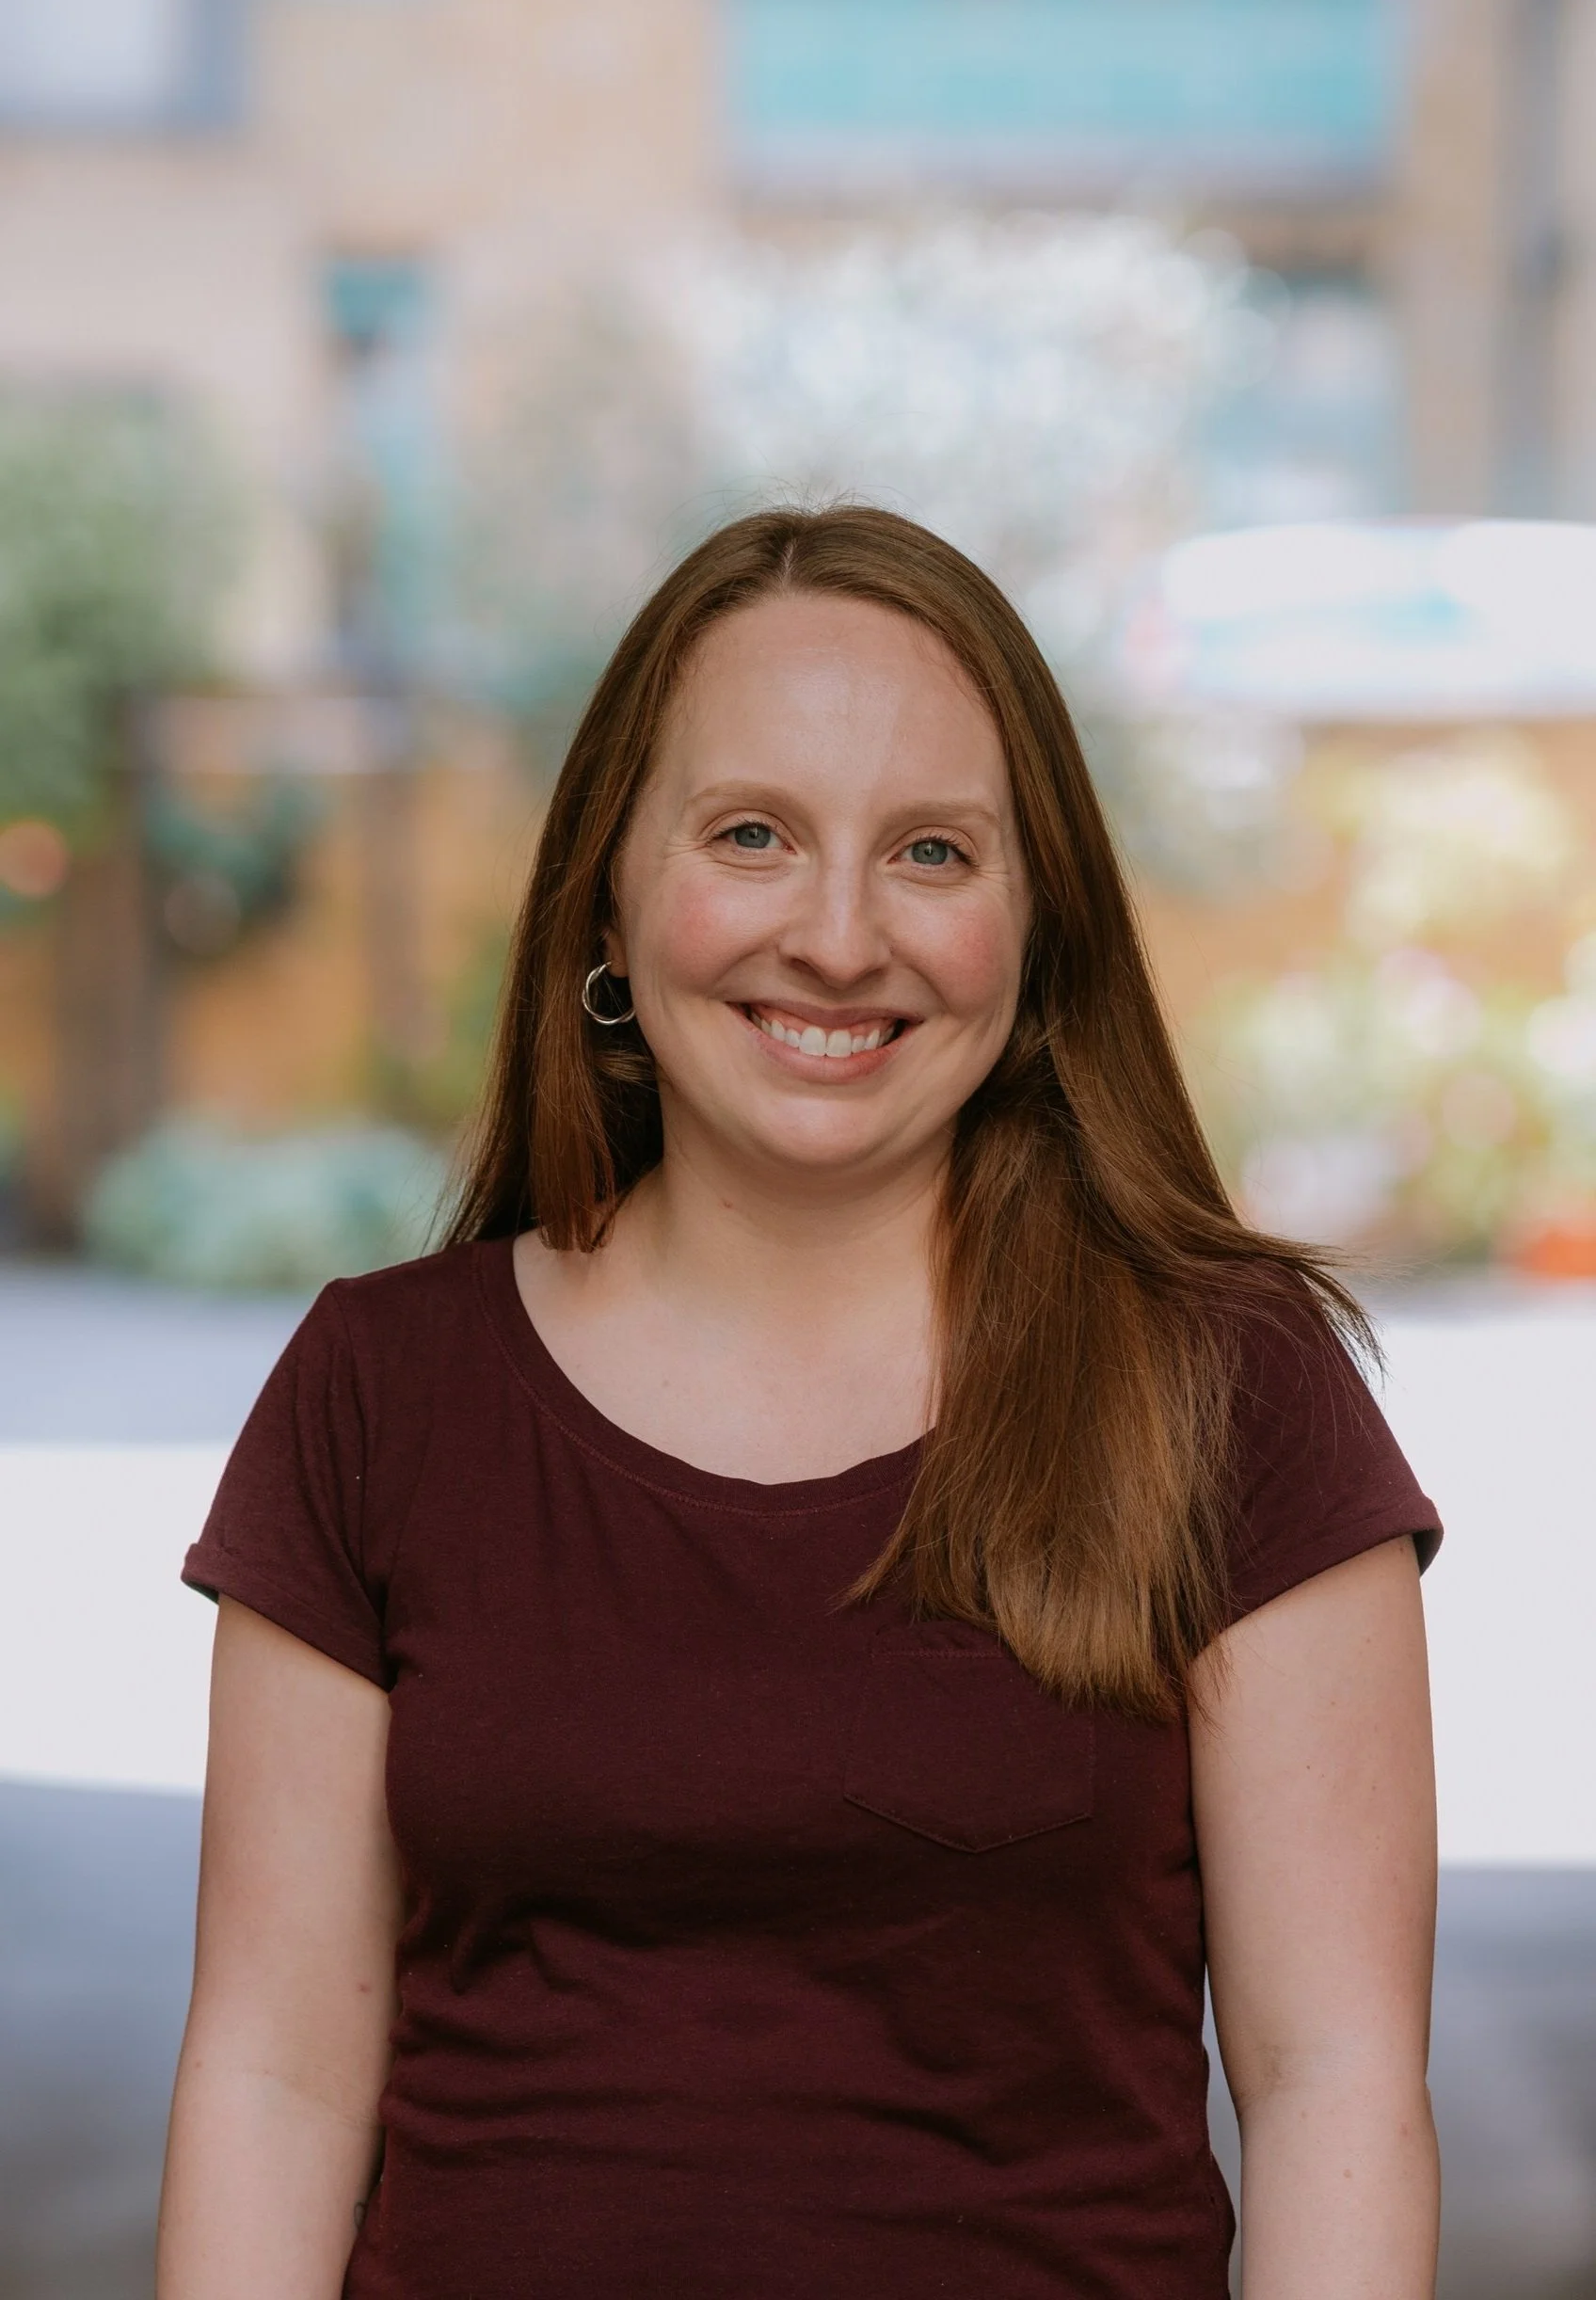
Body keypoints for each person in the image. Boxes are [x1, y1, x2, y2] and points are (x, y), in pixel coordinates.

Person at [157, 505, 1443, 2300]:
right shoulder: (382, 1395)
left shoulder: (1236, 1392)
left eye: (931, 852)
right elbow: (276, 2081)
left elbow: (1334, 2086)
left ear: (1035, 919)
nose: (839, 938)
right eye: (751, 835)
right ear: (610, 887)